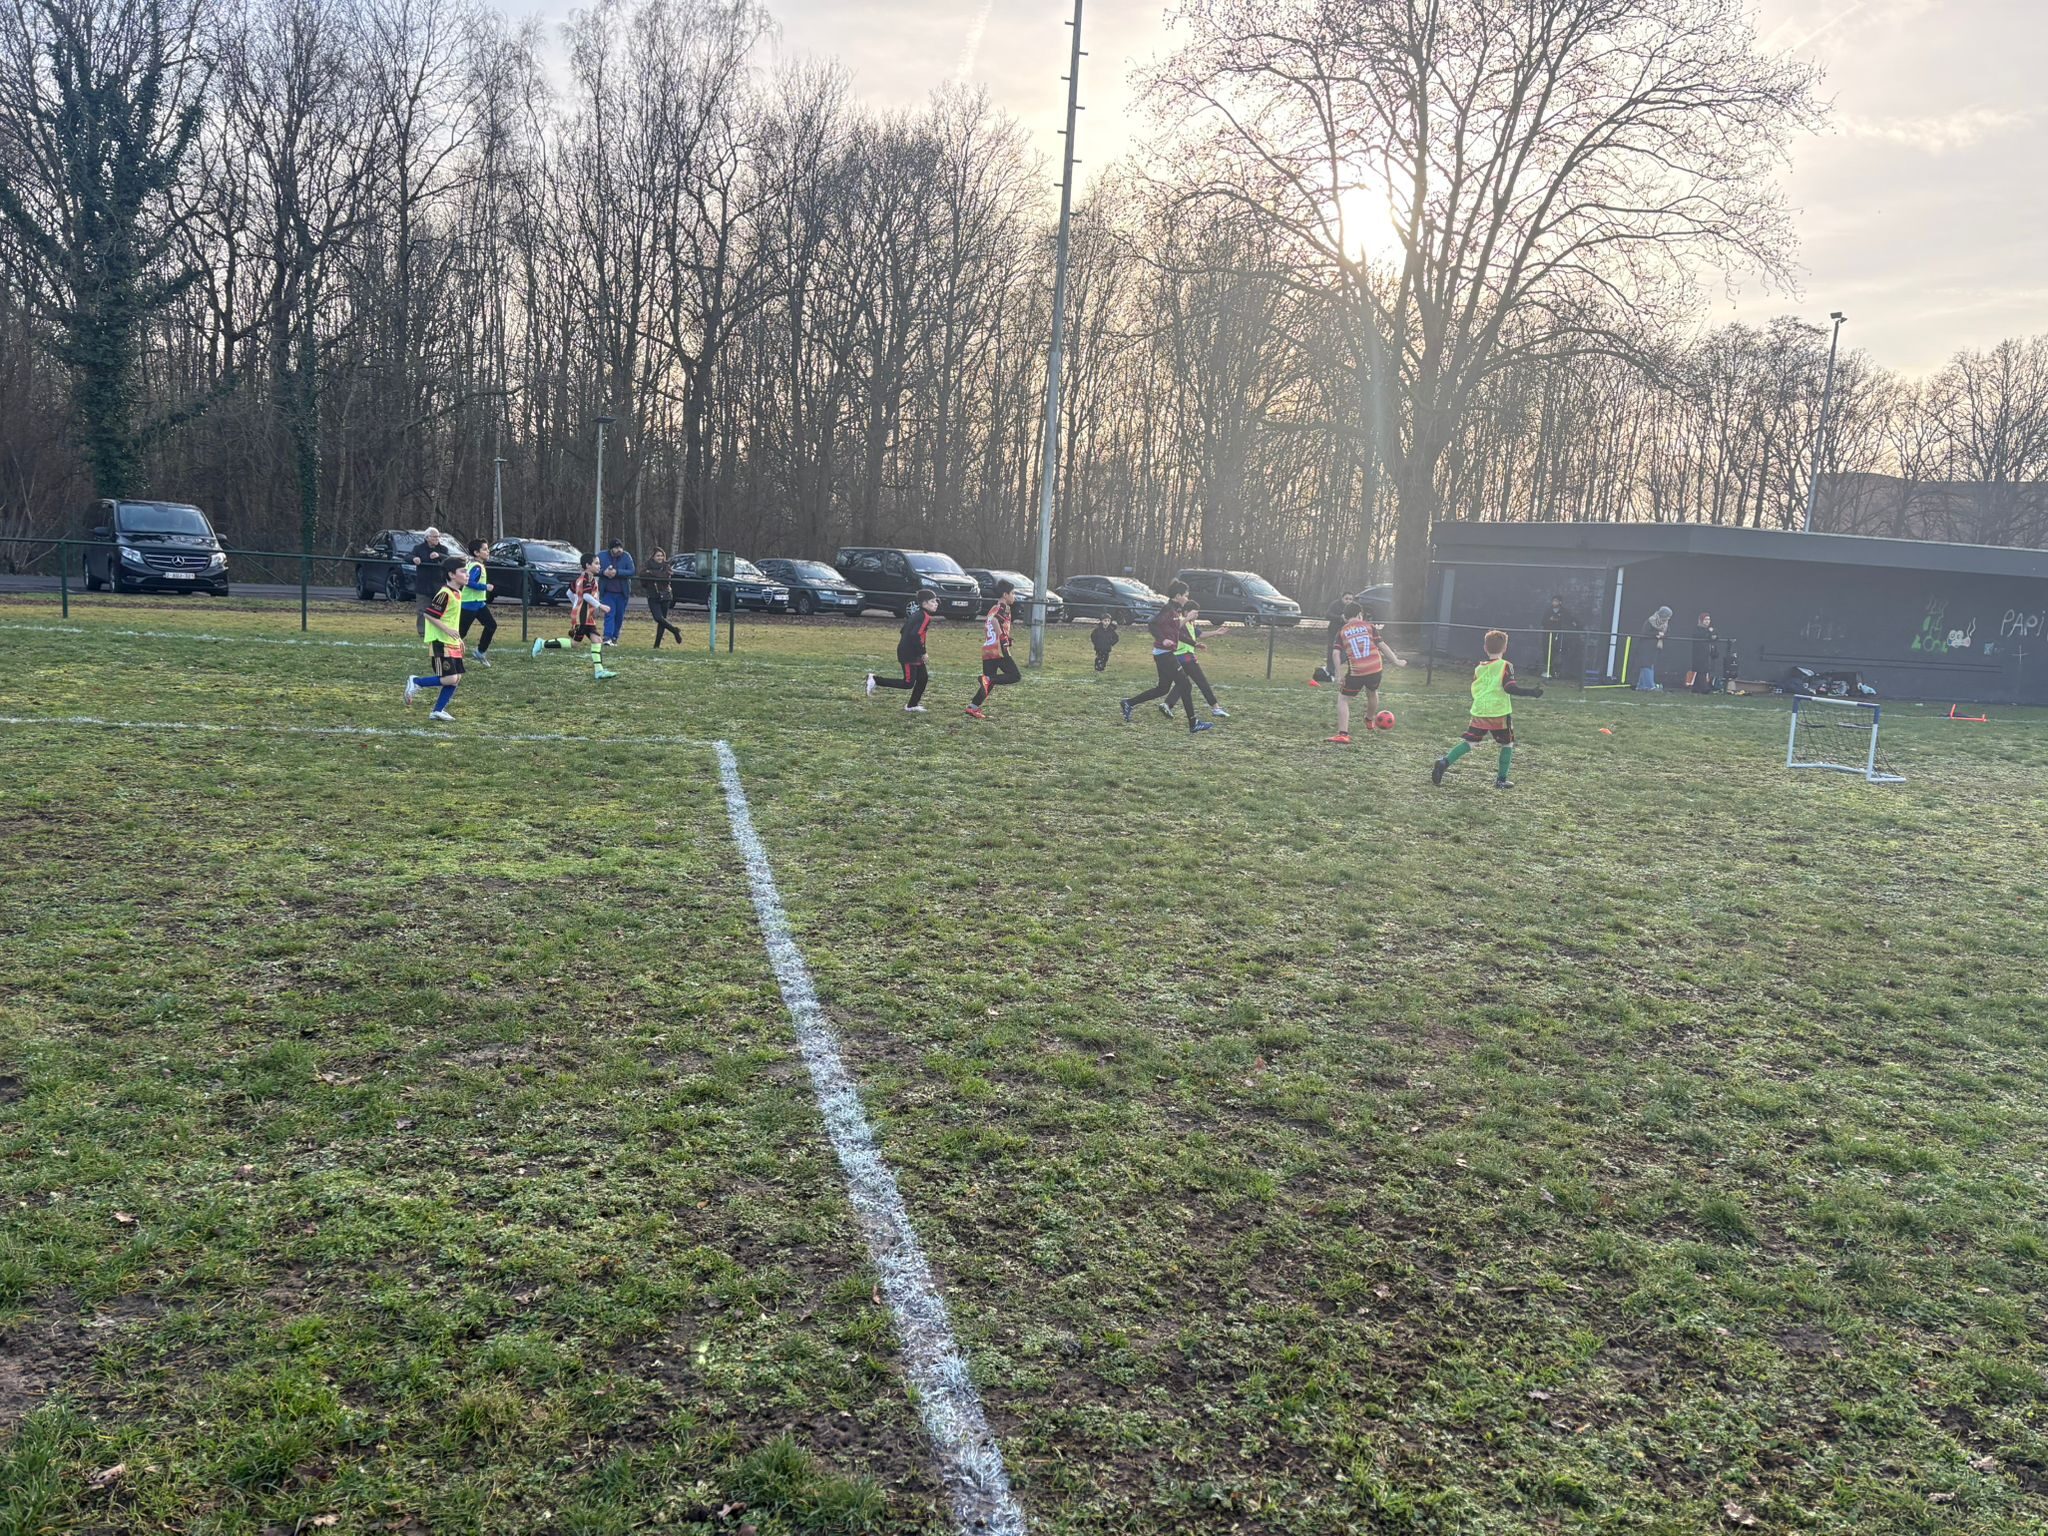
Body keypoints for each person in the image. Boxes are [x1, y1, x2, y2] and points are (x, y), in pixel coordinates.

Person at [1432, 629, 1541, 789]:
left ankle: (1444, 762)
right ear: (1505, 648)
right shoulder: (1506, 665)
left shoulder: (1479, 668)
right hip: (1499, 712)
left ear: (1485, 648)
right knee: (1507, 744)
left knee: (1470, 742)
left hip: (1480, 710)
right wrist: (1531, 692)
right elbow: (1509, 687)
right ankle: (1501, 780)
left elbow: (1476, 687)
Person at [1120, 584, 1216, 735]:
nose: (1187, 598)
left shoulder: (1175, 610)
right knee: (1185, 685)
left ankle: (1128, 703)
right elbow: (1152, 624)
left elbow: (1175, 630)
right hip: (1164, 654)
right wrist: (1163, 639)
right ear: (1178, 596)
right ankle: (1193, 723)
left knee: (1163, 688)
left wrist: (1194, 643)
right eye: (1186, 595)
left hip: (1164, 653)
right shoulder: (1168, 609)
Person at [1326, 600, 1407, 742]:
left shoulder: (1342, 631)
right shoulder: (1369, 627)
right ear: (1360, 614)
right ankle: (1369, 719)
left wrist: (1338, 674)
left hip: (1357, 671)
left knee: (1343, 699)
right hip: (1375, 668)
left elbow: (1335, 653)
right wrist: (1396, 661)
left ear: (1345, 617)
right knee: (1372, 692)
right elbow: (1382, 645)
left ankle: (1343, 734)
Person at [531, 553, 615, 678]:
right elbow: (586, 596)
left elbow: (569, 592)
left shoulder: (583, 578)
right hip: (582, 617)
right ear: (588, 565)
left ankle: (599, 671)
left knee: (597, 640)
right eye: (596, 563)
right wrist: (600, 606)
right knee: (575, 643)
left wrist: (576, 605)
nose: (599, 566)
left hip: (586, 616)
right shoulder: (586, 579)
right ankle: (541, 643)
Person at [405, 557, 468, 721]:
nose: (467, 574)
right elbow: (429, 614)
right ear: (452, 575)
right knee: (450, 678)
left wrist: (458, 639)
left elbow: (451, 619)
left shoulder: (457, 593)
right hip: (441, 641)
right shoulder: (445, 594)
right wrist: (447, 631)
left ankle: (438, 711)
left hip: (452, 641)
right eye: (463, 571)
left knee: (456, 678)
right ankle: (417, 682)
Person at [868, 588, 938, 711]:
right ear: (924, 603)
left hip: (913, 651)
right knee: (908, 683)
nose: (936, 604)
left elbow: (904, 630)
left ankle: (912, 705)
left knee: (923, 678)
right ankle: (875, 680)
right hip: (909, 654)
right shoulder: (924, 617)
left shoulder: (918, 615)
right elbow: (915, 635)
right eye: (932, 601)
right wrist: (923, 652)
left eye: (936, 601)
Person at [965, 580, 1021, 720]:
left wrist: (1006, 637)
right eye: (1013, 593)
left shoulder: (993, 608)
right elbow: (996, 621)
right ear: (1005, 595)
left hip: (988, 648)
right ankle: (987, 679)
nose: (1014, 596)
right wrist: (1002, 638)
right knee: (1015, 676)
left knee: (988, 683)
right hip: (998, 649)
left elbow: (991, 624)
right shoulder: (1003, 607)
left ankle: (973, 707)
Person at [1163, 604, 1228, 718]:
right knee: (1202, 681)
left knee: (1182, 683)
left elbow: (1201, 634)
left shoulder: (1190, 624)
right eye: (1194, 613)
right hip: (1185, 657)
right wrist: (1187, 618)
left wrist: (1216, 632)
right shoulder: (1181, 621)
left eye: (1198, 613)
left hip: (1182, 657)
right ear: (1186, 612)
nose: (1197, 615)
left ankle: (1167, 704)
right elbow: (1174, 629)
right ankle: (1215, 708)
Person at [457, 538, 496, 666]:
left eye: (487, 549)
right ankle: (446, 652)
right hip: (469, 603)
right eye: (485, 549)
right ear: (476, 553)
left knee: (491, 625)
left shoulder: (476, 564)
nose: (488, 551)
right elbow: (469, 582)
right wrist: (485, 587)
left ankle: (480, 652)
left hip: (478, 603)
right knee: (461, 632)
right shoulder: (477, 567)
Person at [410, 526, 450, 637]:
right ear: (427, 538)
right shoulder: (418, 548)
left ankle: (440, 630)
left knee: (440, 609)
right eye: (434, 537)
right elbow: (407, 556)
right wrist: (414, 559)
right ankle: (422, 632)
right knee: (422, 610)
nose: (437, 539)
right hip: (423, 584)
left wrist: (439, 556)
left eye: (438, 536)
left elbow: (449, 559)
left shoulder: (443, 549)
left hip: (439, 584)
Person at [642, 548, 684, 648]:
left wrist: (651, 573)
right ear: (653, 557)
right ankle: (674, 630)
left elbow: (665, 577)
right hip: (652, 595)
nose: (660, 558)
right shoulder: (646, 565)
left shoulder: (666, 566)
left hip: (665, 595)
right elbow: (642, 575)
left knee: (662, 621)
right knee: (658, 618)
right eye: (658, 555)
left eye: (661, 556)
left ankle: (657, 645)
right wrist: (655, 574)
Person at [598, 538, 635, 646]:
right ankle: (607, 637)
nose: (619, 550)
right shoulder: (601, 556)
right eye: (616, 548)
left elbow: (631, 571)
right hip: (607, 592)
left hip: (622, 593)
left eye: (620, 547)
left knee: (619, 616)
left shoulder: (626, 556)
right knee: (610, 614)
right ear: (610, 549)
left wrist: (617, 572)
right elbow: (594, 568)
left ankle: (615, 636)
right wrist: (603, 572)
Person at [1311, 593, 1352, 686]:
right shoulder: (1335, 604)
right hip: (1334, 632)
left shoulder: (1353, 607)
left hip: (1347, 633)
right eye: (1346, 598)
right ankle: (1330, 672)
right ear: (1342, 598)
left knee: (1345, 654)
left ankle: (1333, 669)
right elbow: (1328, 615)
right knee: (1332, 652)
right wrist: (1340, 617)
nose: (1348, 601)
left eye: (1350, 599)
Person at [1541, 594, 1580, 680]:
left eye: (1556, 601)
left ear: (1560, 602)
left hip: (1560, 637)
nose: (1554, 603)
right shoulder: (1548, 611)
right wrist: (1550, 620)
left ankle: (1557, 672)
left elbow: (1569, 621)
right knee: (1547, 653)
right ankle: (1547, 671)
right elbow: (1543, 622)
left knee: (1558, 653)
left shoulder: (1564, 612)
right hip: (1548, 636)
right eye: (1553, 601)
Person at [1637, 605, 1672, 690]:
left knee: (1649, 665)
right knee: (1646, 665)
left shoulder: (1665, 624)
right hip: (1646, 646)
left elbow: (1668, 633)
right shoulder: (1650, 621)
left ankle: (1641, 686)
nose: (1668, 619)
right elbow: (1645, 633)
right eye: (1667, 616)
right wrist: (1656, 634)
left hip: (1655, 647)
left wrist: (1663, 635)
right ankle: (1649, 686)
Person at [1688, 611, 1717, 692]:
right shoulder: (1698, 629)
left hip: (1707, 654)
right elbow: (1701, 636)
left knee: (1702, 671)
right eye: (1705, 619)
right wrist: (1709, 633)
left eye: (1708, 619)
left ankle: (1696, 688)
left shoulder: (1710, 630)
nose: (1707, 621)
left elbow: (1715, 636)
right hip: (1699, 654)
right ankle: (1704, 688)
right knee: (1701, 670)